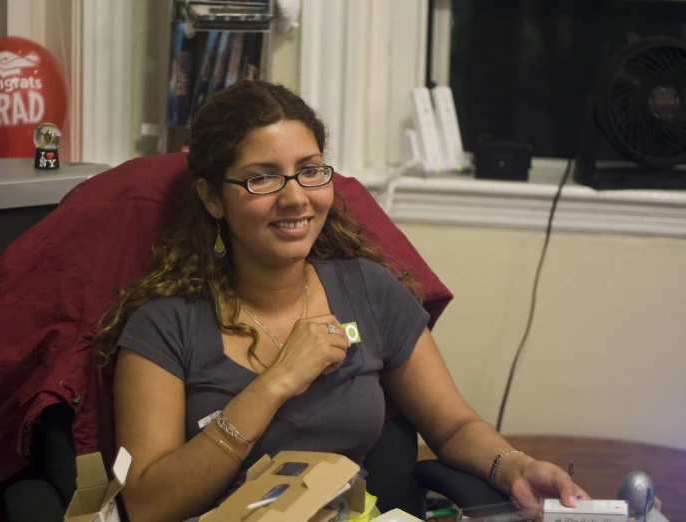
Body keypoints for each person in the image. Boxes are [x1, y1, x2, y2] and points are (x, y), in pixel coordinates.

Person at [96, 80, 589, 522]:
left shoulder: (369, 292)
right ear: (211, 198)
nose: (295, 199)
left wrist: (516, 468)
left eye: (310, 171)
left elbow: (455, 425)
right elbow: (146, 504)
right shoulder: (164, 326)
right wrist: (276, 383)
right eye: (262, 178)